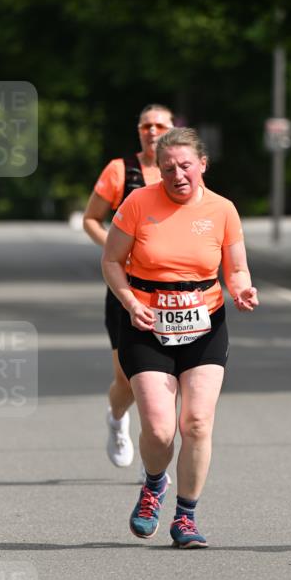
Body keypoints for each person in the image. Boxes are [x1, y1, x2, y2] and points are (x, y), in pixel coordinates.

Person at [102, 127, 258, 549]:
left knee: (197, 422)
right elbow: (112, 260)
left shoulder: (223, 210)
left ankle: (185, 517)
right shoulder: (138, 203)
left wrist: (241, 288)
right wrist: (130, 303)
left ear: (202, 165)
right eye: (168, 167)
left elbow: (236, 268)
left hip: (204, 324)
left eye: (185, 165)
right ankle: (154, 484)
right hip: (145, 325)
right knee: (159, 429)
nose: (177, 175)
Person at [83, 104, 174, 470]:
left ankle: (154, 455)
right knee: (127, 378)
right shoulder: (121, 169)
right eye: (145, 125)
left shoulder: (182, 170)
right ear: (139, 131)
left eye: (159, 125)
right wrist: (114, 249)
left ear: (172, 129)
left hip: (171, 288)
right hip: (126, 287)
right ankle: (117, 418)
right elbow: (91, 218)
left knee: (169, 376)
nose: (152, 130)